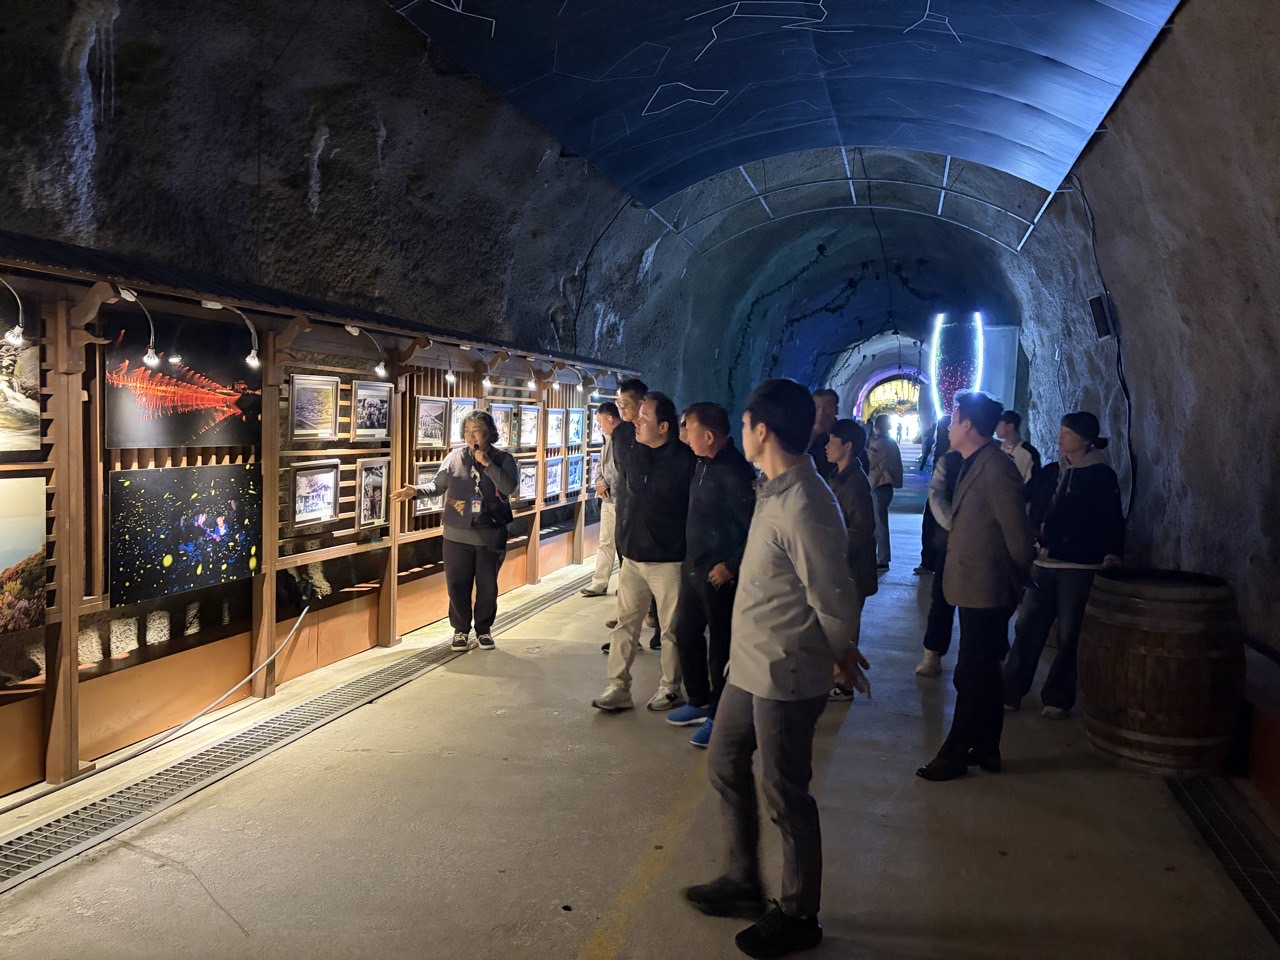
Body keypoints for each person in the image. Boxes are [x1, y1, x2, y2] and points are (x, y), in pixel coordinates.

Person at [683, 378, 867, 960]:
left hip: (786, 670)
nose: (740, 430)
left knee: (786, 793)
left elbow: (834, 597)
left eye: (744, 423)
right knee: (725, 760)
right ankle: (743, 879)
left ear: (762, 430)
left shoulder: (807, 504)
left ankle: (798, 913)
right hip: (749, 663)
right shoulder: (772, 488)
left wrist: (840, 655)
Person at [916, 390, 1034, 782]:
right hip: (972, 585)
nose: (949, 427)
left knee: (970, 673)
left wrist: (1016, 581)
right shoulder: (975, 462)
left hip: (988, 588)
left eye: (954, 420)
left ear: (968, 425)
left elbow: (1018, 535)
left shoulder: (996, 468)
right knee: (983, 672)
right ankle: (986, 748)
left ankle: (954, 754)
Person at [1003, 411, 1124, 718]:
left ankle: (1057, 697)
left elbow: (1110, 518)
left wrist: (1110, 553)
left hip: (1079, 566)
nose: (1061, 437)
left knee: (1070, 634)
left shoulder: (1100, 475)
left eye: (1068, 433)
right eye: (1061, 431)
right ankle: (1010, 689)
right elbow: (1033, 504)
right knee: (1028, 626)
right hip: (1045, 562)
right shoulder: (1052, 471)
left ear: (1085, 439)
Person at [591, 391, 696, 713]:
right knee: (625, 624)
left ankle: (671, 687)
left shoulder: (684, 460)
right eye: (635, 414)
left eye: (644, 417)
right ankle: (618, 686)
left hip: (669, 559)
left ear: (664, 426)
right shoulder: (632, 449)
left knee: (671, 629)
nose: (636, 421)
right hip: (633, 556)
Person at [665, 402, 757, 747]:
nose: (682, 435)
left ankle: (720, 713)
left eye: (687, 428)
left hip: (719, 574)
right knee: (684, 631)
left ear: (707, 436)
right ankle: (698, 699)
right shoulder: (702, 463)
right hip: (695, 567)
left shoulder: (735, 472)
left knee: (721, 644)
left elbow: (755, 526)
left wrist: (731, 565)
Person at [391, 410, 517, 652]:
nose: (471, 436)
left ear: (488, 433)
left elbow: (509, 487)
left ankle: (484, 629)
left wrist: (488, 464)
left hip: (490, 534)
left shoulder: (503, 459)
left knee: (487, 586)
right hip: (456, 534)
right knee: (457, 584)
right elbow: (438, 486)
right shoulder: (454, 457)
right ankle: (460, 629)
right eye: (467, 431)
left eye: (476, 431)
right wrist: (415, 491)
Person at [824, 418, 879, 700]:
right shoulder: (840, 476)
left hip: (852, 571)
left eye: (832, 441)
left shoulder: (854, 482)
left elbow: (861, 529)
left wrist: (833, 551)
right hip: (845, 569)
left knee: (845, 629)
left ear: (847, 446)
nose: (826, 446)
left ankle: (845, 685)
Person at [914, 445, 963, 677]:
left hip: (979, 543)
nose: (950, 430)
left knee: (978, 607)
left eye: (955, 426)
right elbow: (937, 495)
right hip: (950, 541)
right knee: (941, 599)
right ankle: (932, 652)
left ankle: (976, 660)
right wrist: (955, 525)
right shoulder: (949, 461)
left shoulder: (996, 460)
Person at [580, 400, 622, 598]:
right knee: (605, 542)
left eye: (600, 421)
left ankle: (625, 585)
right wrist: (598, 482)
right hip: (607, 499)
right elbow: (600, 465)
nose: (599, 425)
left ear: (611, 418)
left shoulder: (625, 438)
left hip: (621, 500)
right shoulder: (607, 438)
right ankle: (599, 582)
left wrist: (608, 485)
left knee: (623, 546)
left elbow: (623, 470)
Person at [915, 415, 952, 574]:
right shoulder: (950, 453)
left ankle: (929, 562)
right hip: (942, 499)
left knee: (932, 529)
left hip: (942, 500)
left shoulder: (947, 455)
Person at [866, 413, 903, 569]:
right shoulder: (891, 442)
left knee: (879, 523)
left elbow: (870, 462)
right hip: (886, 486)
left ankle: (882, 558)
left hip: (878, 485)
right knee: (878, 522)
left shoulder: (879, 443)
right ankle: (877, 556)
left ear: (877, 426)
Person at [996, 409, 1041, 491]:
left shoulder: (1029, 452)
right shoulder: (997, 448)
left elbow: (1033, 483)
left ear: (1010, 426)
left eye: (998, 424)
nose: (996, 428)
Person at [805, 387, 839, 480]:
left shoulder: (843, 434)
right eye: (817, 408)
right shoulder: (803, 432)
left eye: (827, 407)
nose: (821, 413)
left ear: (836, 410)